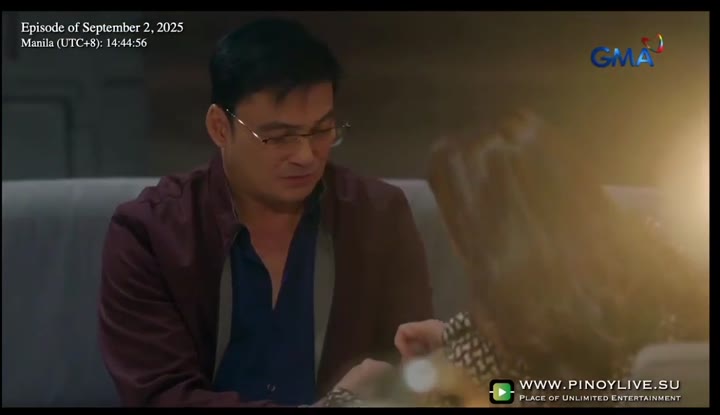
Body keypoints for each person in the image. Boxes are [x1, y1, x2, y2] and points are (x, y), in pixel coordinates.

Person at [98, 18, 434, 407]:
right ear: (219, 127)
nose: (306, 156)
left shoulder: (378, 215)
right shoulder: (149, 233)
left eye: (321, 131)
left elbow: (410, 369)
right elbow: (160, 396)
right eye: (278, 137)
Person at [323, 111, 710, 407]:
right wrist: (457, 332)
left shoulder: (485, 366)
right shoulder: (665, 266)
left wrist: (349, 394)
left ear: (476, 237)